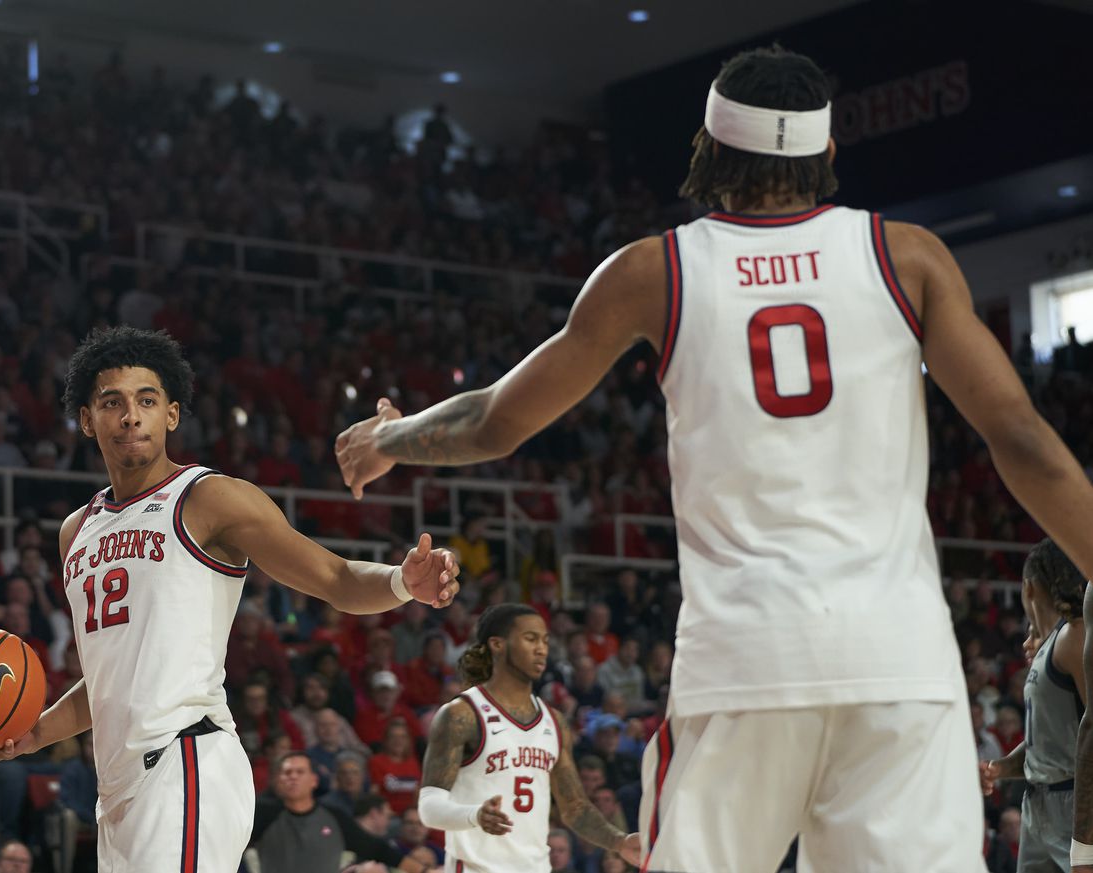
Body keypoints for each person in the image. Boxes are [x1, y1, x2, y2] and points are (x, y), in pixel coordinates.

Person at [338, 45, 1093, 873]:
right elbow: (1020, 439)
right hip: (899, 662)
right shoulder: (905, 256)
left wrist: (391, 436)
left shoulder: (654, 270)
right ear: (829, 154)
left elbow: (495, 421)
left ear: (707, 147)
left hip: (744, 662)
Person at [0, 326, 461, 873]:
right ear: (86, 420)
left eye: (147, 400)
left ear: (171, 415)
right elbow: (109, 679)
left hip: (185, 761)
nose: (130, 416)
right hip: (119, 789)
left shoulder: (208, 497)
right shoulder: (77, 530)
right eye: (111, 403)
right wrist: (32, 734)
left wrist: (402, 582)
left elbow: (333, 577)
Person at [417, 604, 639, 871]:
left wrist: (619, 842)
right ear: (497, 644)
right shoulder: (462, 715)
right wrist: (473, 815)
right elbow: (429, 806)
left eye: (545, 640)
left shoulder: (553, 721)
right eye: (530, 638)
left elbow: (575, 808)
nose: (541, 648)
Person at [983, 540, 1086, 870]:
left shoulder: (1075, 635)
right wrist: (1001, 769)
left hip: (1073, 803)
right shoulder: (1049, 643)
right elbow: (1050, 739)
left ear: (1028, 587)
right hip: (1037, 800)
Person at [248, 752, 432, 873]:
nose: (293, 777)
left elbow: (377, 849)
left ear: (314, 780)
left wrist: (423, 871)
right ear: (278, 780)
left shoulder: (333, 817)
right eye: (287, 773)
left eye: (299, 772)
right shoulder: (263, 815)